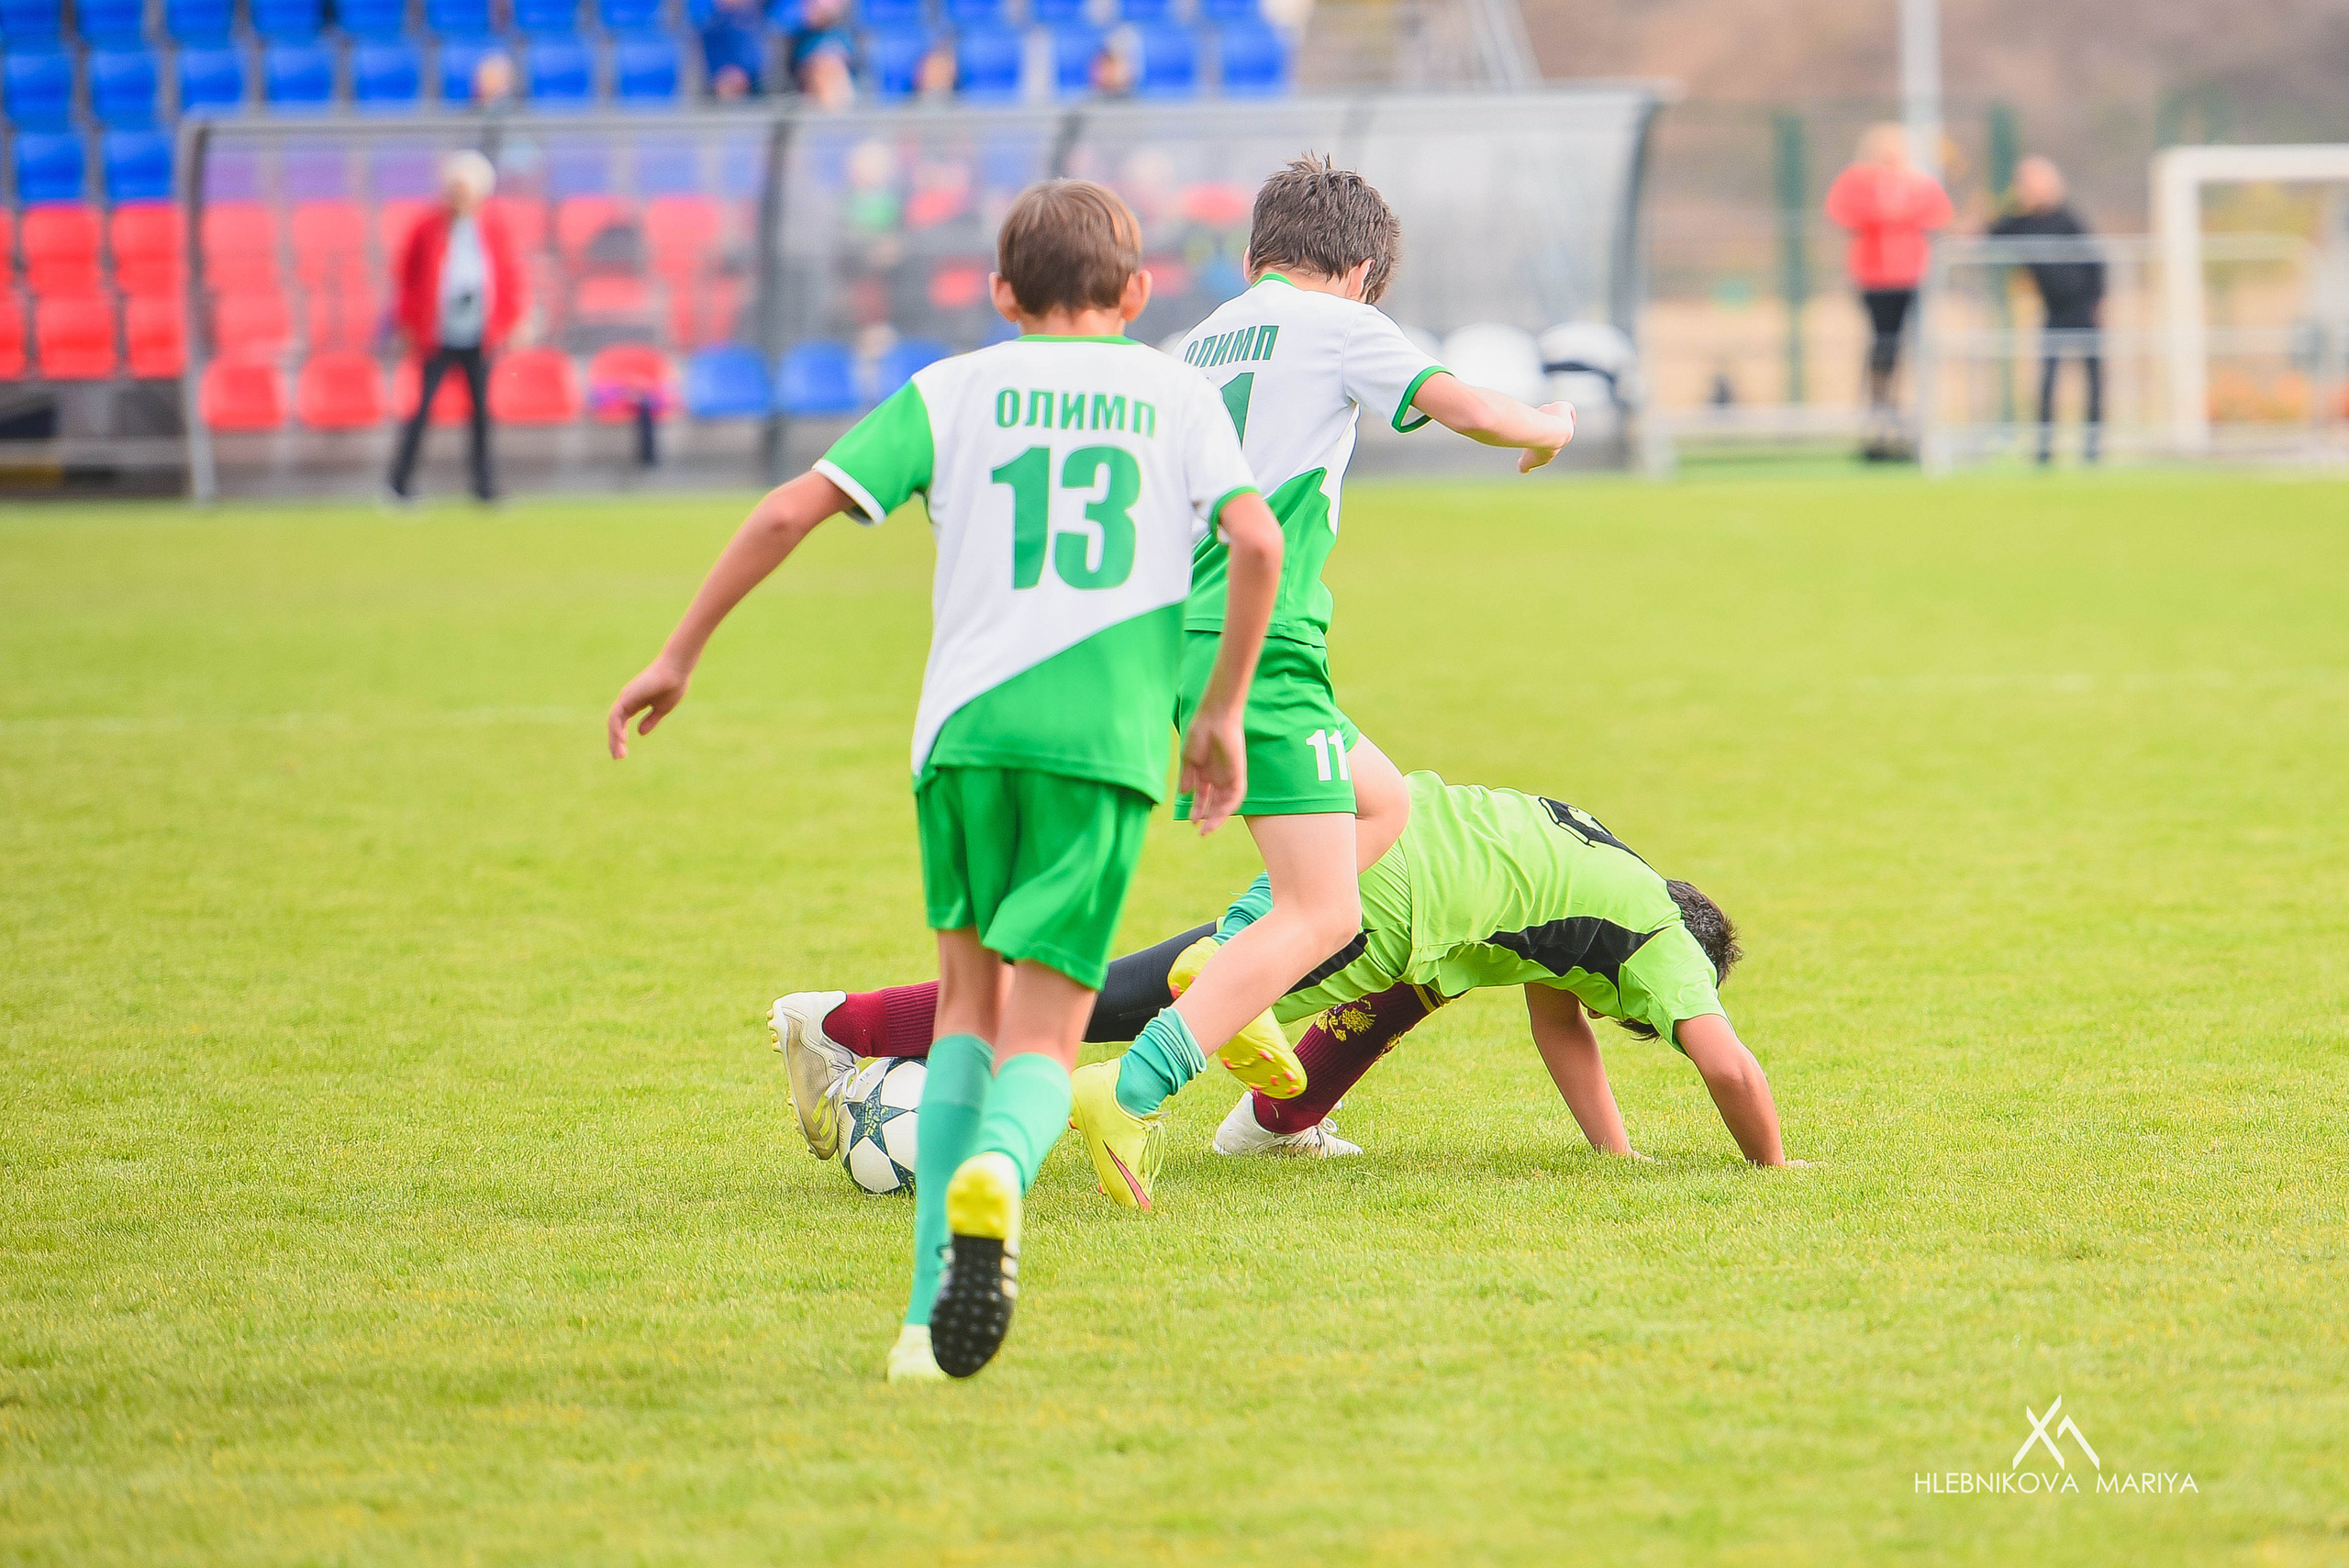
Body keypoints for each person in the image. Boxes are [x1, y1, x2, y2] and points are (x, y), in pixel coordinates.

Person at [607, 180, 1285, 1384]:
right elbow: (1256, 539)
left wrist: (678, 652)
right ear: (1134, 294)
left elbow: (787, 511)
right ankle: (997, 1171)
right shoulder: (1175, 392)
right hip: (1103, 747)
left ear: (1000, 294)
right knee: (1044, 1034)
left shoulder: (950, 389)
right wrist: (1220, 712)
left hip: (963, 739)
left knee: (966, 1012)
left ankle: (927, 1325)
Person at [1059, 154, 1577, 1192]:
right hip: (1263, 636)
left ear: (1256, 254)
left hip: (1179, 631)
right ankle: (1125, 1090)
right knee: (1328, 913)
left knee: (1378, 804)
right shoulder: (1339, 322)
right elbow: (1461, 402)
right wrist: (1548, 426)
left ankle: (1227, 958)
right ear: (1361, 269)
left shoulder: (1188, 343)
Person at [774, 771, 1807, 1205]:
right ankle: (836, 1022)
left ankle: (1276, 1117)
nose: (1638, 1021)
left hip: (1384, 844)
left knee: (1416, 991)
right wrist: (1772, 1163)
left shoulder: (1612, 872)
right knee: (1100, 1003)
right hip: (1387, 902)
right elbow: (1729, 1065)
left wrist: (1613, 1156)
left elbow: (1556, 1026)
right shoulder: (1667, 948)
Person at [386, 151, 524, 506]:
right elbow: (408, 280)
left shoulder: (492, 229)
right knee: (423, 409)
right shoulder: (428, 227)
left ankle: (484, 486)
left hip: (479, 334)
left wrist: (512, 320)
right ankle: (400, 484)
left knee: (480, 413)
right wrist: (407, 325)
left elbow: (508, 278)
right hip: (438, 335)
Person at [1824, 124, 1953, 460]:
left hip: (1911, 276)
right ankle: (1878, 414)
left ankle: (1904, 417)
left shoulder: (1917, 182)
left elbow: (1939, 213)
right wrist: (1883, 215)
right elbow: (1842, 210)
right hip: (1873, 277)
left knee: (1907, 347)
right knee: (1881, 345)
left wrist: (1902, 214)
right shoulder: (1858, 181)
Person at [1990, 156, 2106, 464]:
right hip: (2053, 311)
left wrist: (2098, 302)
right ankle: (2044, 450)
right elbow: (1990, 234)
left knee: (2093, 380)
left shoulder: (2069, 219)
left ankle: (2093, 450)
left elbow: (2096, 263)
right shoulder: (2021, 222)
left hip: (2083, 309)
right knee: (2047, 381)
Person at [699, 0, 765, 98]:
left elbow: (759, 58)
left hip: (752, 81)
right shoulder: (708, 26)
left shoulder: (753, 22)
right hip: (718, 81)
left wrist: (743, 75)